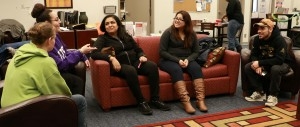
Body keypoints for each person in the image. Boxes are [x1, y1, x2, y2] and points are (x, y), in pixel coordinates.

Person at [0, 22, 87, 127]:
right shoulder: (45, 62)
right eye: (54, 39)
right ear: (50, 40)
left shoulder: (21, 52)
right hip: (25, 112)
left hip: (8, 111)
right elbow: (62, 93)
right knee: (79, 101)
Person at [90, 14, 170, 115]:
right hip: (120, 65)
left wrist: (142, 55)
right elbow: (94, 53)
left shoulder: (125, 35)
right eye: (107, 24)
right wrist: (111, 58)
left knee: (152, 66)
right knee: (130, 71)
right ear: (104, 26)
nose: (110, 25)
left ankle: (155, 99)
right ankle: (141, 101)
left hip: (135, 62)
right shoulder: (102, 39)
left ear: (118, 24)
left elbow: (138, 49)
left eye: (112, 22)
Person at [31, 3, 97, 95]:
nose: (60, 22)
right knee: (77, 82)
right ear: (47, 23)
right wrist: (80, 52)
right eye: (57, 19)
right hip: (55, 73)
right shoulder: (46, 43)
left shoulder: (55, 35)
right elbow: (61, 65)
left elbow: (65, 52)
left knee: (75, 76)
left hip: (62, 69)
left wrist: (81, 54)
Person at [159, 10, 208, 114]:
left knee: (196, 68)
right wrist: (178, 60)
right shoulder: (168, 32)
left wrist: (188, 59)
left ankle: (200, 100)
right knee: (176, 70)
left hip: (186, 59)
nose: (177, 21)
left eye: (180, 19)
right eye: (176, 18)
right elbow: (162, 52)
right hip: (169, 60)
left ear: (186, 22)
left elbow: (196, 52)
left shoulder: (191, 34)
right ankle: (186, 102)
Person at [244, 19, 292, 107]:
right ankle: (260, 92)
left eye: (262, 28)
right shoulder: (257, 39)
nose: (259, 31)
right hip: (265, 68)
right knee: (248, 67)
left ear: (270, 29)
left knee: (275, 69)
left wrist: (260, 63)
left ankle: (273, 95)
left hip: (283, 64)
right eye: (258, 28)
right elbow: (254, 55)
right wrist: (257, 64)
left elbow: (279, 60)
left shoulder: (279, 40)